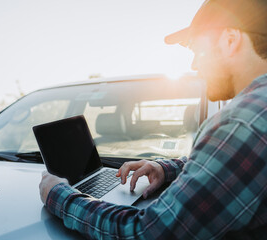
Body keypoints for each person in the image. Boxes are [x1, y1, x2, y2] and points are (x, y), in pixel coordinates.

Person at [39, 0, 267, 239]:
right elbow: (228, 164)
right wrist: (166, 168)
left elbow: (150, 232)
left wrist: (59, 196)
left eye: (199, 50)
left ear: (230, 41)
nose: (194, 64)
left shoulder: (242, 121)